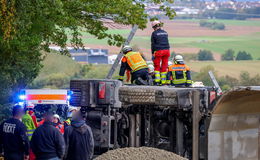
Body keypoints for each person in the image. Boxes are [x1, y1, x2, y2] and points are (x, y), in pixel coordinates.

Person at [151, 20, 170, 85]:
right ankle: (163, 81)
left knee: (157, 66)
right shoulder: (165, 32)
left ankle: (157, 81)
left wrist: (153, 53)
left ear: (154, 27)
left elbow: (153, 44)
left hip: (159, 51)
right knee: (164, 66)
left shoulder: (154, 33)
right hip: (167, 51)